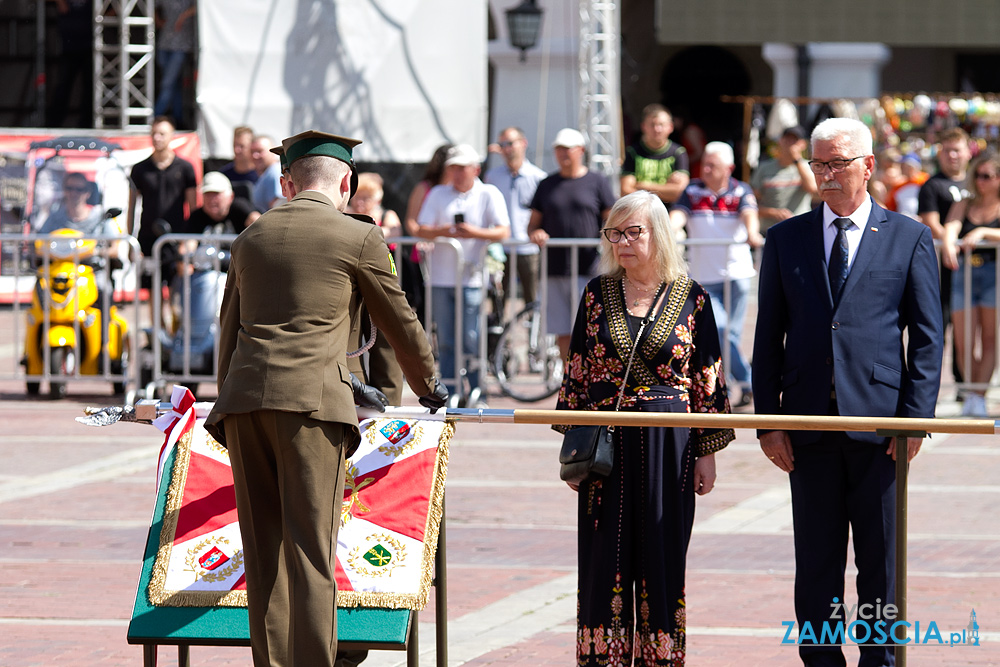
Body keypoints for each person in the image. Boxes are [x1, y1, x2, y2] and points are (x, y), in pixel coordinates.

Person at [205, 129, 448, 667]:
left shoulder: (251, 237)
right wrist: (429, 386)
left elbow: (229, 332)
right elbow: (399, 320)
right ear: (344, 182)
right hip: (313, 408)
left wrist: (225, 401)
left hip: (245, 404)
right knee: (311, 553)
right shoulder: (357, 237)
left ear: (289, 184)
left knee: (264, 554)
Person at [753, 117, 943, 667]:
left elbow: (928, 338)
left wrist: (915, 422)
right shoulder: (785, 238)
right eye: (819, 164)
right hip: (808, 426)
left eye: (839, 162)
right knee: (816, 563)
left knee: (881, 563)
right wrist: (770, 423)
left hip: (881, 430)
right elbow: (769, 339)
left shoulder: (909, 237)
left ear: (868, 166)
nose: (828, 174)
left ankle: (880, 661)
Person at [556, 190, 734, 666]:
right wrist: (573, 449)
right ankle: (602, 659)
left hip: (668, 442)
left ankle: (660, 658)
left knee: (662, 556)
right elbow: (577, 370)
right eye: (615, 233)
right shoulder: (597, 293)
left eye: (634, 232)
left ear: (659, 234)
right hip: (606, 442)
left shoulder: (692, 297)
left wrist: (707, 451)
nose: (623, 243)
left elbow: (707, 377)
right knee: (602, 561)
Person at [670, 141, 762, 407]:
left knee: (729, 334)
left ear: (729, 168)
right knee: (721, 330)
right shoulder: (692, 190)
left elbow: (749, 214)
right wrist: (670, 231)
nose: (706, 169)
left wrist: (753, 233)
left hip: (737, 274)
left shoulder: (740, 190)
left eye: (713, 165)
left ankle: (741, 385)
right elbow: (678, 216)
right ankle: (748, 381)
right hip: (704, 277)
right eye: (705, 164)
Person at [415, 144, 510, 398]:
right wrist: (444, 231)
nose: (456, 173)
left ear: (475, 169)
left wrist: (474, 233)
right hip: (440, 278)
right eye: (453, 167)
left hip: (473, 278)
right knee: (445, 339)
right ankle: (450, 389)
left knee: (471, 336)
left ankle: (478, 388)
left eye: (461, 167)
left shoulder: (488, 193)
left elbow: (503, 231)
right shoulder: (438, 193)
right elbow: (421, 228)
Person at [528, 128, 616, 358]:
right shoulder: (546, 184)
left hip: (589, 268)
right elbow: (533, 224)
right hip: (554, 268)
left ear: (581, 151)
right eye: (559, 149)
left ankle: (592, 381)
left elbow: (612, 217)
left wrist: (607, 239)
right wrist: (536, 234)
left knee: (592, 329)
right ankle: (571, 382)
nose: (563, 153)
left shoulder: (597, 181)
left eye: (567, 148)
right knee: (563, 332)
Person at [941, 152, 1000, 417]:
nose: (981, 182)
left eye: (986, 176)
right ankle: (970, 390)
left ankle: (978, 395)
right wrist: (949, 242)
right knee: (963, 339)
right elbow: (951, 225)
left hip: (993, 273)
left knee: (990, 338)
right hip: (964, 271)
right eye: (977, 175)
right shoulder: (965, 203)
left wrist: (983, 232)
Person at [919, 128, 973, 393]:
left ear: (967, 152)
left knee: (969, 330)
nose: (953, 155)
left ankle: (966, 386)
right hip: (942, 269)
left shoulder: (978, 182)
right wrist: (953, 245)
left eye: (957, 150)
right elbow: (930, 221)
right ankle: (930, 390)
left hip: (976, 269)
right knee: (938, 328)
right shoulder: (932, 184)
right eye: (947, 150)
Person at [127, 116, 198, 291]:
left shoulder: (185, 168)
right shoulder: (139, 169)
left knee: (178, 288)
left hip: (177, 237)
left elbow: (194, 208)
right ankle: (157, 320)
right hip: (148, 238)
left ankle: (175, 319)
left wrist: (191, 240)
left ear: (172, 135)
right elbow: (131, 207)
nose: (157, 138)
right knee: (152, 289)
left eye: (162, 134)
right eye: (154, 133)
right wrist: (131, 241)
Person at [484, 126, 547, 307]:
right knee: (497, 300)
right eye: (502, 144)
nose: (507, 148)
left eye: (510, 143)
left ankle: (532, 334)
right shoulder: (492, 176)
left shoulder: (538, 177)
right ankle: (498, 334)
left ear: (523, 144)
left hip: (527, 247)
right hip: (500, 248)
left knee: (532, 299)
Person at [750, 125, 818, 235]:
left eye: (794, 141)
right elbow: (751, 203)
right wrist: (772, 212)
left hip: (800, 229)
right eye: (787, 139)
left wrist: (796, 160)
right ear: (780, 141)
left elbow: (812, 188)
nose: (790, 144)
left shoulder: (808, 166)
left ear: (803, 145)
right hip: (770, 230)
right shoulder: (764, 168)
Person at [620, 104, 690, 207]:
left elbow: (680, 192)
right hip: (640, 210)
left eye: (661, 124)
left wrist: (642, 185)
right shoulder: (633, 152)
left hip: (668, 212)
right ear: (643, 126)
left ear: (670, 127)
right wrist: (666, 188)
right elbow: (625, 190)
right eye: (652, 124)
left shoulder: (678, 152)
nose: (657, 129)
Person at [152, 0, 196, 126]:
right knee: (173, 84)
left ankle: (156, 117)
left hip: (181, 44)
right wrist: (158, 21)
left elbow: (201, 7)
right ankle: (177, 117)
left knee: (168, 83)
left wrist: (183, 16)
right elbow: (152, 7)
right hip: (165, 42)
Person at [182, 172, 258, 235]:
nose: (211, 199)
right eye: (208, 194)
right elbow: (187, 246)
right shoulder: (196, 217)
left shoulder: (240, 209)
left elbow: (260, 225)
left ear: (231, 196)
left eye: (216, 194)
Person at [348, 172, 402, 247]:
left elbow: (394, 232)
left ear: (377, 200)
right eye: (356, 197)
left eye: (365, 198)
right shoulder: (345, 213)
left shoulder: (387, 215)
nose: (359, 202)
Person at [219, 126, 260, 205]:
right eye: (235, 145)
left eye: (241, 146)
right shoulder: (223, 176)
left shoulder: (261, 174)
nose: (236, 150)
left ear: (252, 147)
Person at [885, 152, 929, 219]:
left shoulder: (926, 181)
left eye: (907, 166)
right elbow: (891, 206)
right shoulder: (898, 186)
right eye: (903, 166)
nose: (904, 168)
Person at [250, 135, 284, 212]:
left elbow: (278, 206)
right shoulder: (267, 173)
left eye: (259, 151)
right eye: (252, 152)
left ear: (273, 152)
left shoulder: (274, 172)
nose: (255, 156)